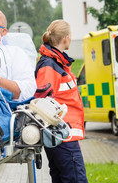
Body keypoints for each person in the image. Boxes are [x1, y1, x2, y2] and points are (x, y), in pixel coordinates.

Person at [35, 20, 88, 183]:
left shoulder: (56, 64)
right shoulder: (49, 65)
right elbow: (42, 101)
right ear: (66, 38)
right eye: (70, 35)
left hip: (62, 136)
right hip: (62, 136)